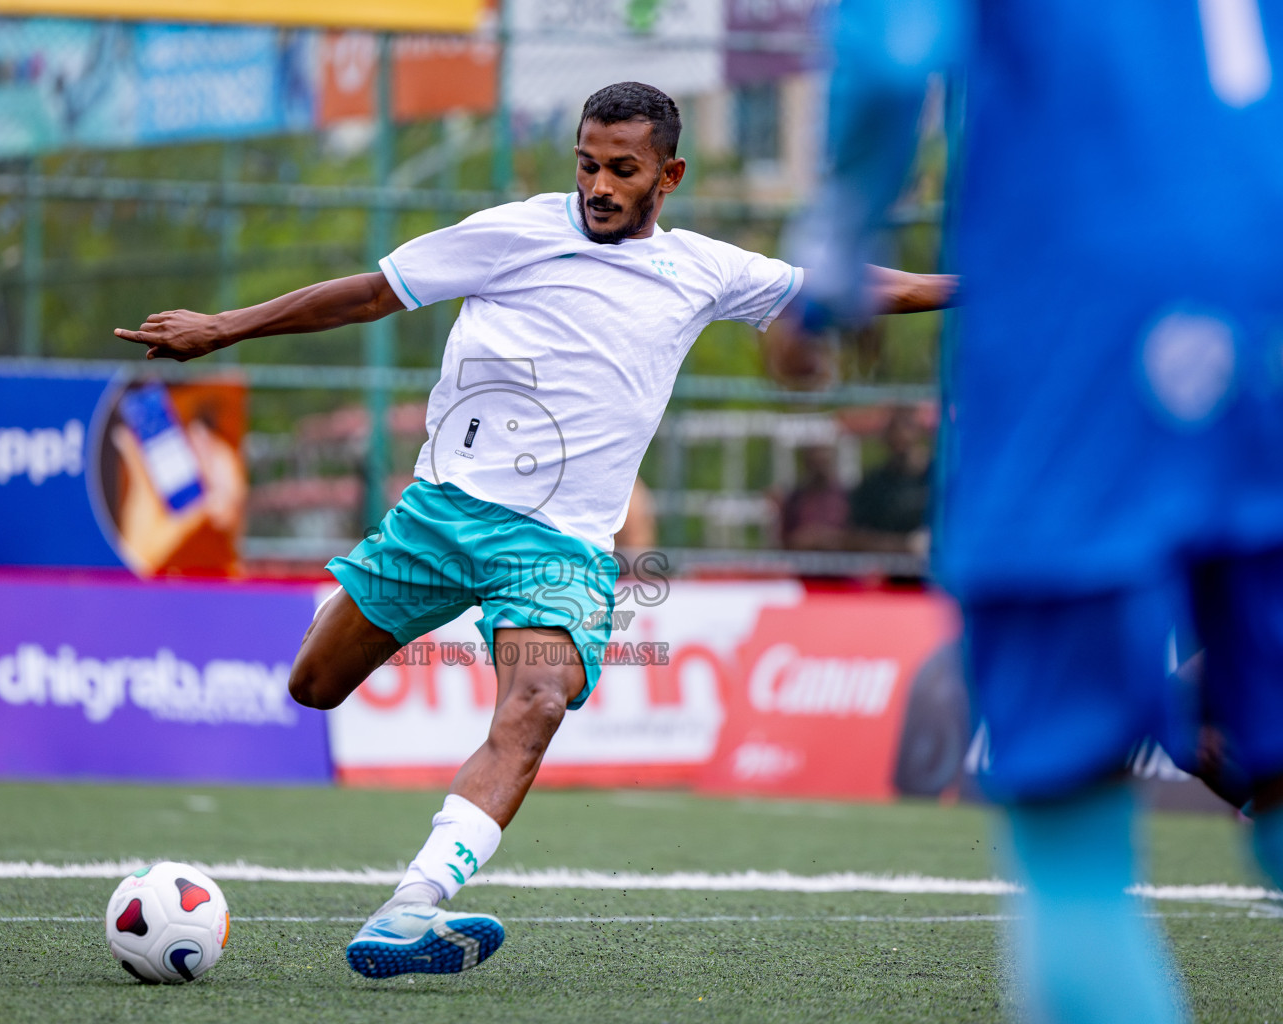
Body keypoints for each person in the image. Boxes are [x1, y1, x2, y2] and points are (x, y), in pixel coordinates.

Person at [116, 81, 955, 979]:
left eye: (622, 170)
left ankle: (412, 907)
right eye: (588, 163)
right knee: (315, 685)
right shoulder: (512, 231)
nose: (599, 184)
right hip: (442, 516)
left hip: (561, 549)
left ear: (667, 175)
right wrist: (224, 328)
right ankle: (362, 586)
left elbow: (858, 286)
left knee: (537, 701)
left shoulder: (704, 270)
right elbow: (369, 293)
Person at [784, 2, 1283, 1021]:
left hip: (1083, 345)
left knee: (1074, 853)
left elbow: (887, 59)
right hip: (1266, 305)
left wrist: (830, 267)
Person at [846, 406, 929, 554]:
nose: (901, 434)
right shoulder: (872, 484)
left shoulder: (939, 479)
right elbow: (857, 536)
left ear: (919, 432)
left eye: (907, 425)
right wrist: (904, 545)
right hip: (886, 569)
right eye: (893, 428)